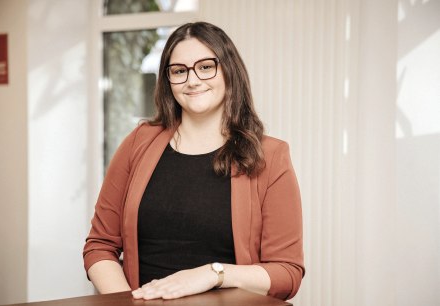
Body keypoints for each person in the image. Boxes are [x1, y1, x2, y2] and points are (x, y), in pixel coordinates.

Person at [83, 21, 304, 301]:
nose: (192, 80)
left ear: (228, 70)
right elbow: (100, 246)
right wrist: (128, 302)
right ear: (168, 80)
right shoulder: (139, 142)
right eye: (179, 71)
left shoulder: (270, 156)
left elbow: (287, 273)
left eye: (205, 66)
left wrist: (213, 273)